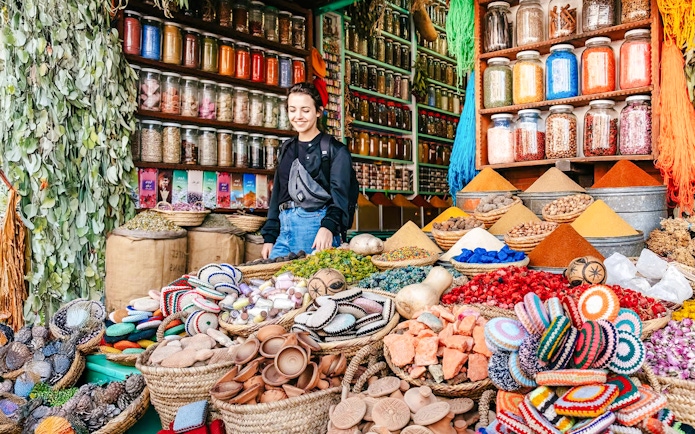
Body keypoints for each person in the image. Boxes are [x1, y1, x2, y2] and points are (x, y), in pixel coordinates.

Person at [260, 82, 352, 259]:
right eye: (292, 110)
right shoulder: (287, 148)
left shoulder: (335, 150)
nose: (298, 116)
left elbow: (341, 196)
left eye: (305, 110)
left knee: (308, 284)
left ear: (318, 111)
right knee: (275, 282)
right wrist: (270, 236)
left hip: (314, 227)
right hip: (284, 227)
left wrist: (328, 227)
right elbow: (278, 193)